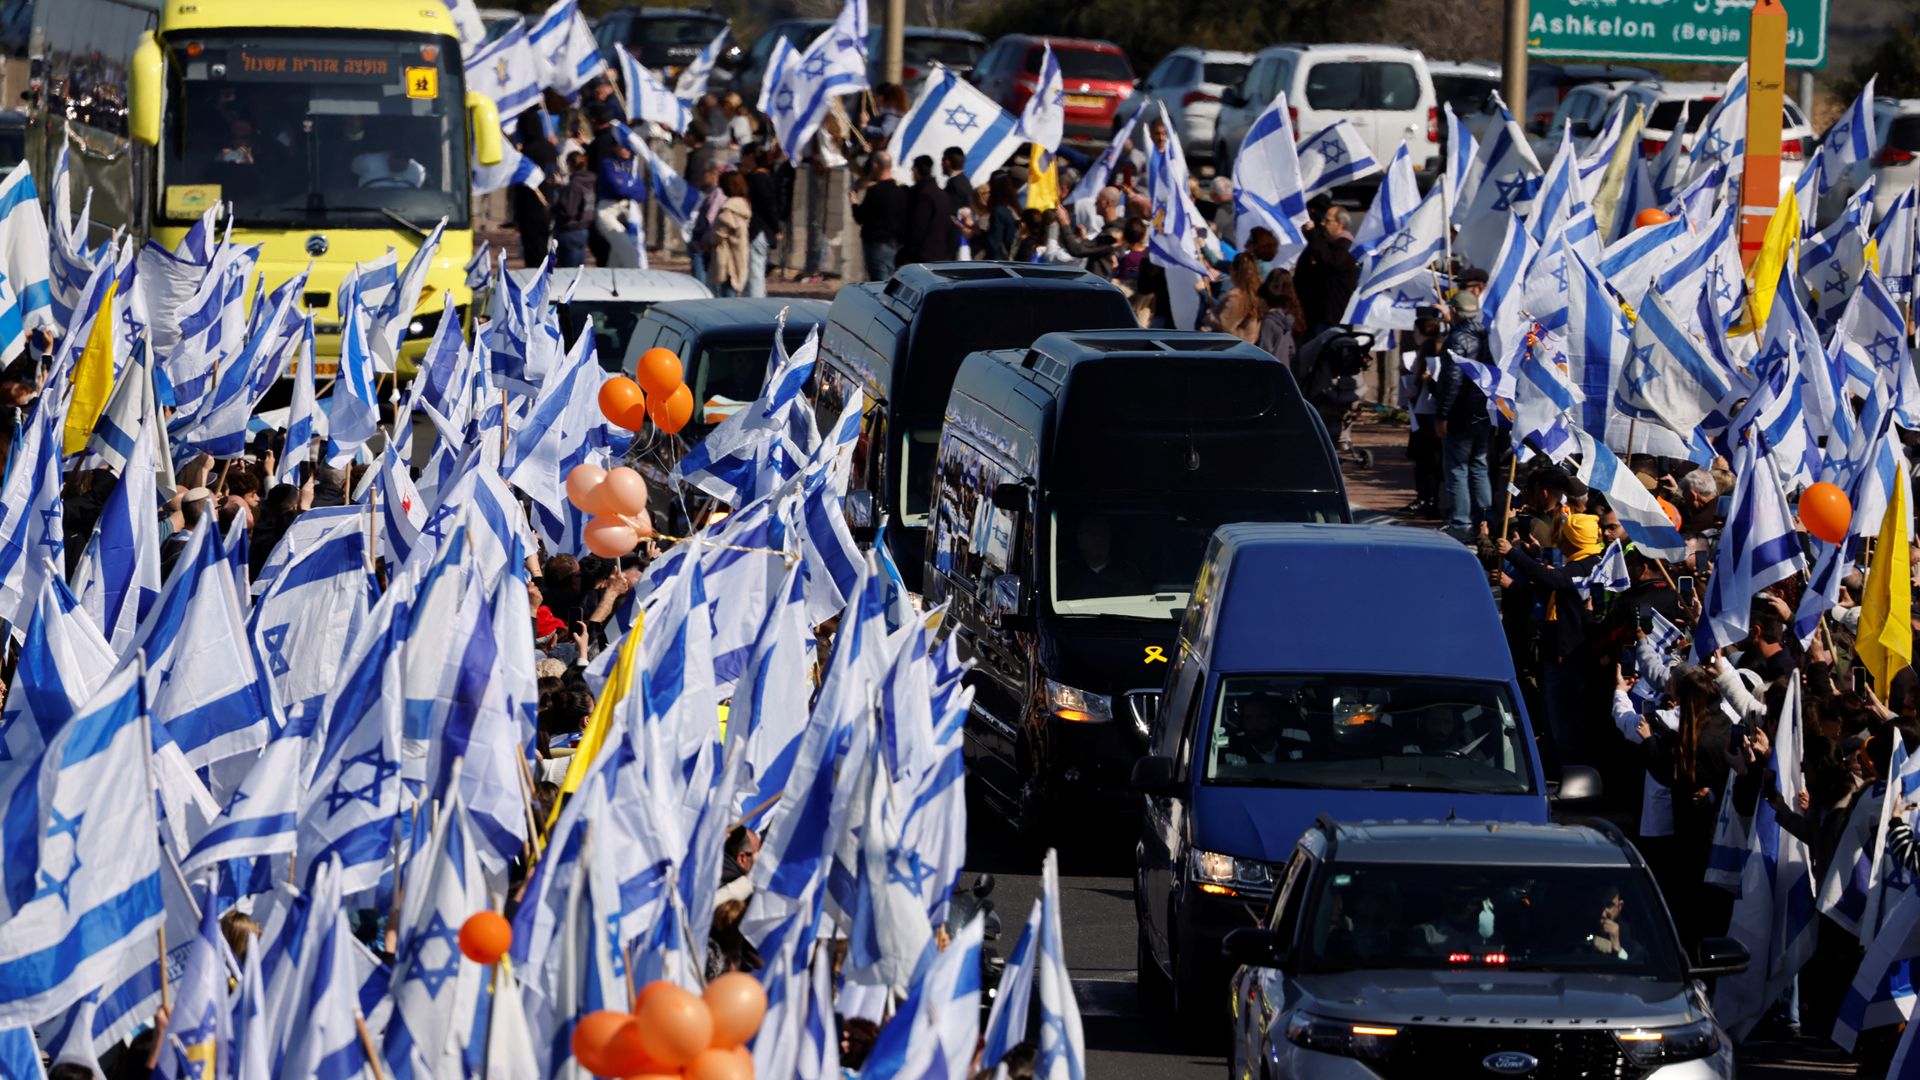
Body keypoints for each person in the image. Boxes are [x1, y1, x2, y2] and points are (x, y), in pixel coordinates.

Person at [1435, 273, 1493, 539]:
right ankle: (1485, 521)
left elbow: (1452, 381)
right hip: (1482, 411)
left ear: (1455, 311)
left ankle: (1460, 524)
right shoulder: (1486, 335)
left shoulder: (1457, 340)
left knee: (1457, 468)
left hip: (1461, 413)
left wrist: (1442, 414)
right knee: (1479, 465)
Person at [1295, 197, 1360, 335]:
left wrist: (1314, 234)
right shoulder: (1331, 245)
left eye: (1328, 221)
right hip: (1323, 317)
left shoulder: (1345, 246)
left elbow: (1331, 262)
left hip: (1335, 319)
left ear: (1340, 224)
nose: (1323, 224)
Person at [852, 150, 907, 282]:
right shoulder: (900, 191)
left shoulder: (875, 191)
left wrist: (854, 203)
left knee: (879, 282)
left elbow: (860, 217)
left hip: (876, 244)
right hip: (894, 244)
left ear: (875, 166)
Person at [745, 146, 784, 296]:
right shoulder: (760, 177)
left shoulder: (759, 179)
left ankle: (756, 304)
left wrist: (776, 228)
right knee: (755, 270)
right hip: (760, 230)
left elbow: (769, 206)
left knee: (756, 271)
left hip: (759, 231)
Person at [900, 154, 952, 265]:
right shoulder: (941, 194)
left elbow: (918, 226)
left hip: (922, 256)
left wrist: (908, 252)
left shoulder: (922, 194)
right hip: (941, 253)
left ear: (916, 170)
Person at [709, 170, 753, 296]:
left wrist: (710, 241)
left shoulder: (729, 209)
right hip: (739, 253)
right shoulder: (743, 205)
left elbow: (719, 233)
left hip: (727, 258)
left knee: (727, 293)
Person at [550, 149, 596, 268]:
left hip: (570, 230)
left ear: (570, 164)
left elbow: (568, 209)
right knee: (578, 268)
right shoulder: (589, 182)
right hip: (583, 228)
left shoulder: (574, 185)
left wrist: (553, 209)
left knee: (568, 270)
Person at [1208, 252, 1266, 343]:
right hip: (1246, 348)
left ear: (1234, 271)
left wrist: (1210, 315)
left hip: (1233, 349)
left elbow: (1224, 325)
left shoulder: (1238, 297)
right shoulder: (1255, 293)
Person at [686, 162, 723, 287]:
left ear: (715, 174)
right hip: (702, 236)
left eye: (708, 173)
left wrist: (700, 236)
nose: (705, 176)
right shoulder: (708, 191)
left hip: (705, 238)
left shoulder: (718, 192)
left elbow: (710, 217)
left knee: (702, 274)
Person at [984, 172, 1021, 261]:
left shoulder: (999, 211)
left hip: (1000, 261)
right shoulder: (1015, 208)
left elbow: (995, 242)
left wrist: (978, 234)